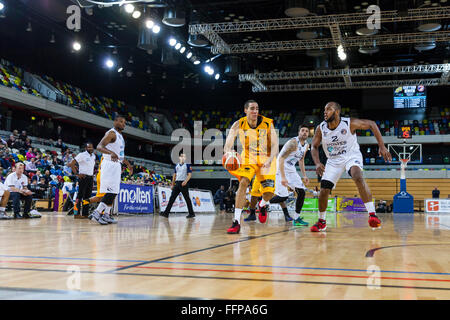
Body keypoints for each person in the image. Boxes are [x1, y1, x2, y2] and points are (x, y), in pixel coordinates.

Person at [310, 102, 392, 232]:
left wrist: (381, 146)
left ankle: (372, 215)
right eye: (325, 109)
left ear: (337, 112)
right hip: (333, 160)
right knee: (324, 189)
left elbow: (371, 124)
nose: (325, 112)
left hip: (351, 155)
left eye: (329, 109)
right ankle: (322, 222)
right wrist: (317, 163)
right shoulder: (321, 128)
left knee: (357, 176)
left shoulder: (349, 123)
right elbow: (314, 146)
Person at [223, 100, 279, 234]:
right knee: (243, 183)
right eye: (252, 109)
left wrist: (270, 159)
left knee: (269, 192)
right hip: (249, 158)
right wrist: (228, 152)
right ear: (245, 110)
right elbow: (228, 143)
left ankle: (263, 204)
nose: (255, 111)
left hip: (267, 158)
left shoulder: (267, 123)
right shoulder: (238, 124)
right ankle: (236, 221)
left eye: (257, 109)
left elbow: (275, 145)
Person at [89, 115, 132, 225]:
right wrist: (110, 153)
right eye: (121, 121)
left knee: (114, 192)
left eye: (124, 122)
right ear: (115, 121)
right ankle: (97, 213)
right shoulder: (111, 133)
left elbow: (120, 154)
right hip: (109, 164)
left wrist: (128, 164)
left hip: (117, 165)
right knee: (110, 192)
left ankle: (106, 214)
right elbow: (99, 146)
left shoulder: (120, 136)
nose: (124, 124)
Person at [269, 124, 311, 226]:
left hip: (291, 168)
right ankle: (264, 202)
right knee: (283, 197)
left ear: (308, 134)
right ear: (298, 132)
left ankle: (296, 219)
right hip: (280, 166)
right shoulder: (293, 143)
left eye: (306, 131)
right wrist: (283, 177)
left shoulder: (306, 145)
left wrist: (304, 175)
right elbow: (281, 159)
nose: (304, 132)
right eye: (302, 130)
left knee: (301, 192)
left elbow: (301, 160)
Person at [160, 153, 195, 218]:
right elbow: (174, 175)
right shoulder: (177, 165)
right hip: (177, 183)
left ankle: (191, 213)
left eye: (184, 156)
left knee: (187, 199)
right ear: (179, 157)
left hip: (183, 183)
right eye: (181, 156)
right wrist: (172, 184)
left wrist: (185, 181)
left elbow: (189, 175)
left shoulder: (187, 165)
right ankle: (166, 213)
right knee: (172, 198)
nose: (182, 157)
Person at [68, 142, 96, 219]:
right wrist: (77, 174)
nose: (91, 148)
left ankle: (85, 213)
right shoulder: (81, 155)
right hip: (83, 177)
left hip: (90, 178)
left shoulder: (93, 156)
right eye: (89, 147)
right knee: (80, 196)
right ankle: (76, 213)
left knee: (87, 197)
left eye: (92, 147)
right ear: (86, 148)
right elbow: (71, 164)